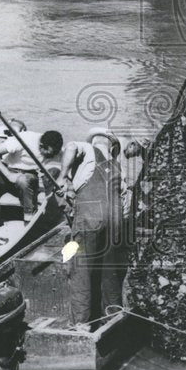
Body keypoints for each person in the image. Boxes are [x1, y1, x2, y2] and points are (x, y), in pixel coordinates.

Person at [58, 129, 125, 330]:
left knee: (81, 268)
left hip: (90, 216)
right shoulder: (116, 166)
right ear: (112, 146)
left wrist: (63, 177)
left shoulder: (88, 148)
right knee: (109, 270)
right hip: (115, 220)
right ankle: (112, 318)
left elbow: (70, 147)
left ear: (96, 140)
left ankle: (81, 323)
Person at [0, 128, 63, 218]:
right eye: (49, 154)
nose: (52, 157)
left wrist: (63, 182)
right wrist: (9, 175)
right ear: (41, 146)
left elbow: (71, 158)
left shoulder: (55, 149)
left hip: (28, 175)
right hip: (7, 171)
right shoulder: (24, 139)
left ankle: (29, 216)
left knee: (23, 180)